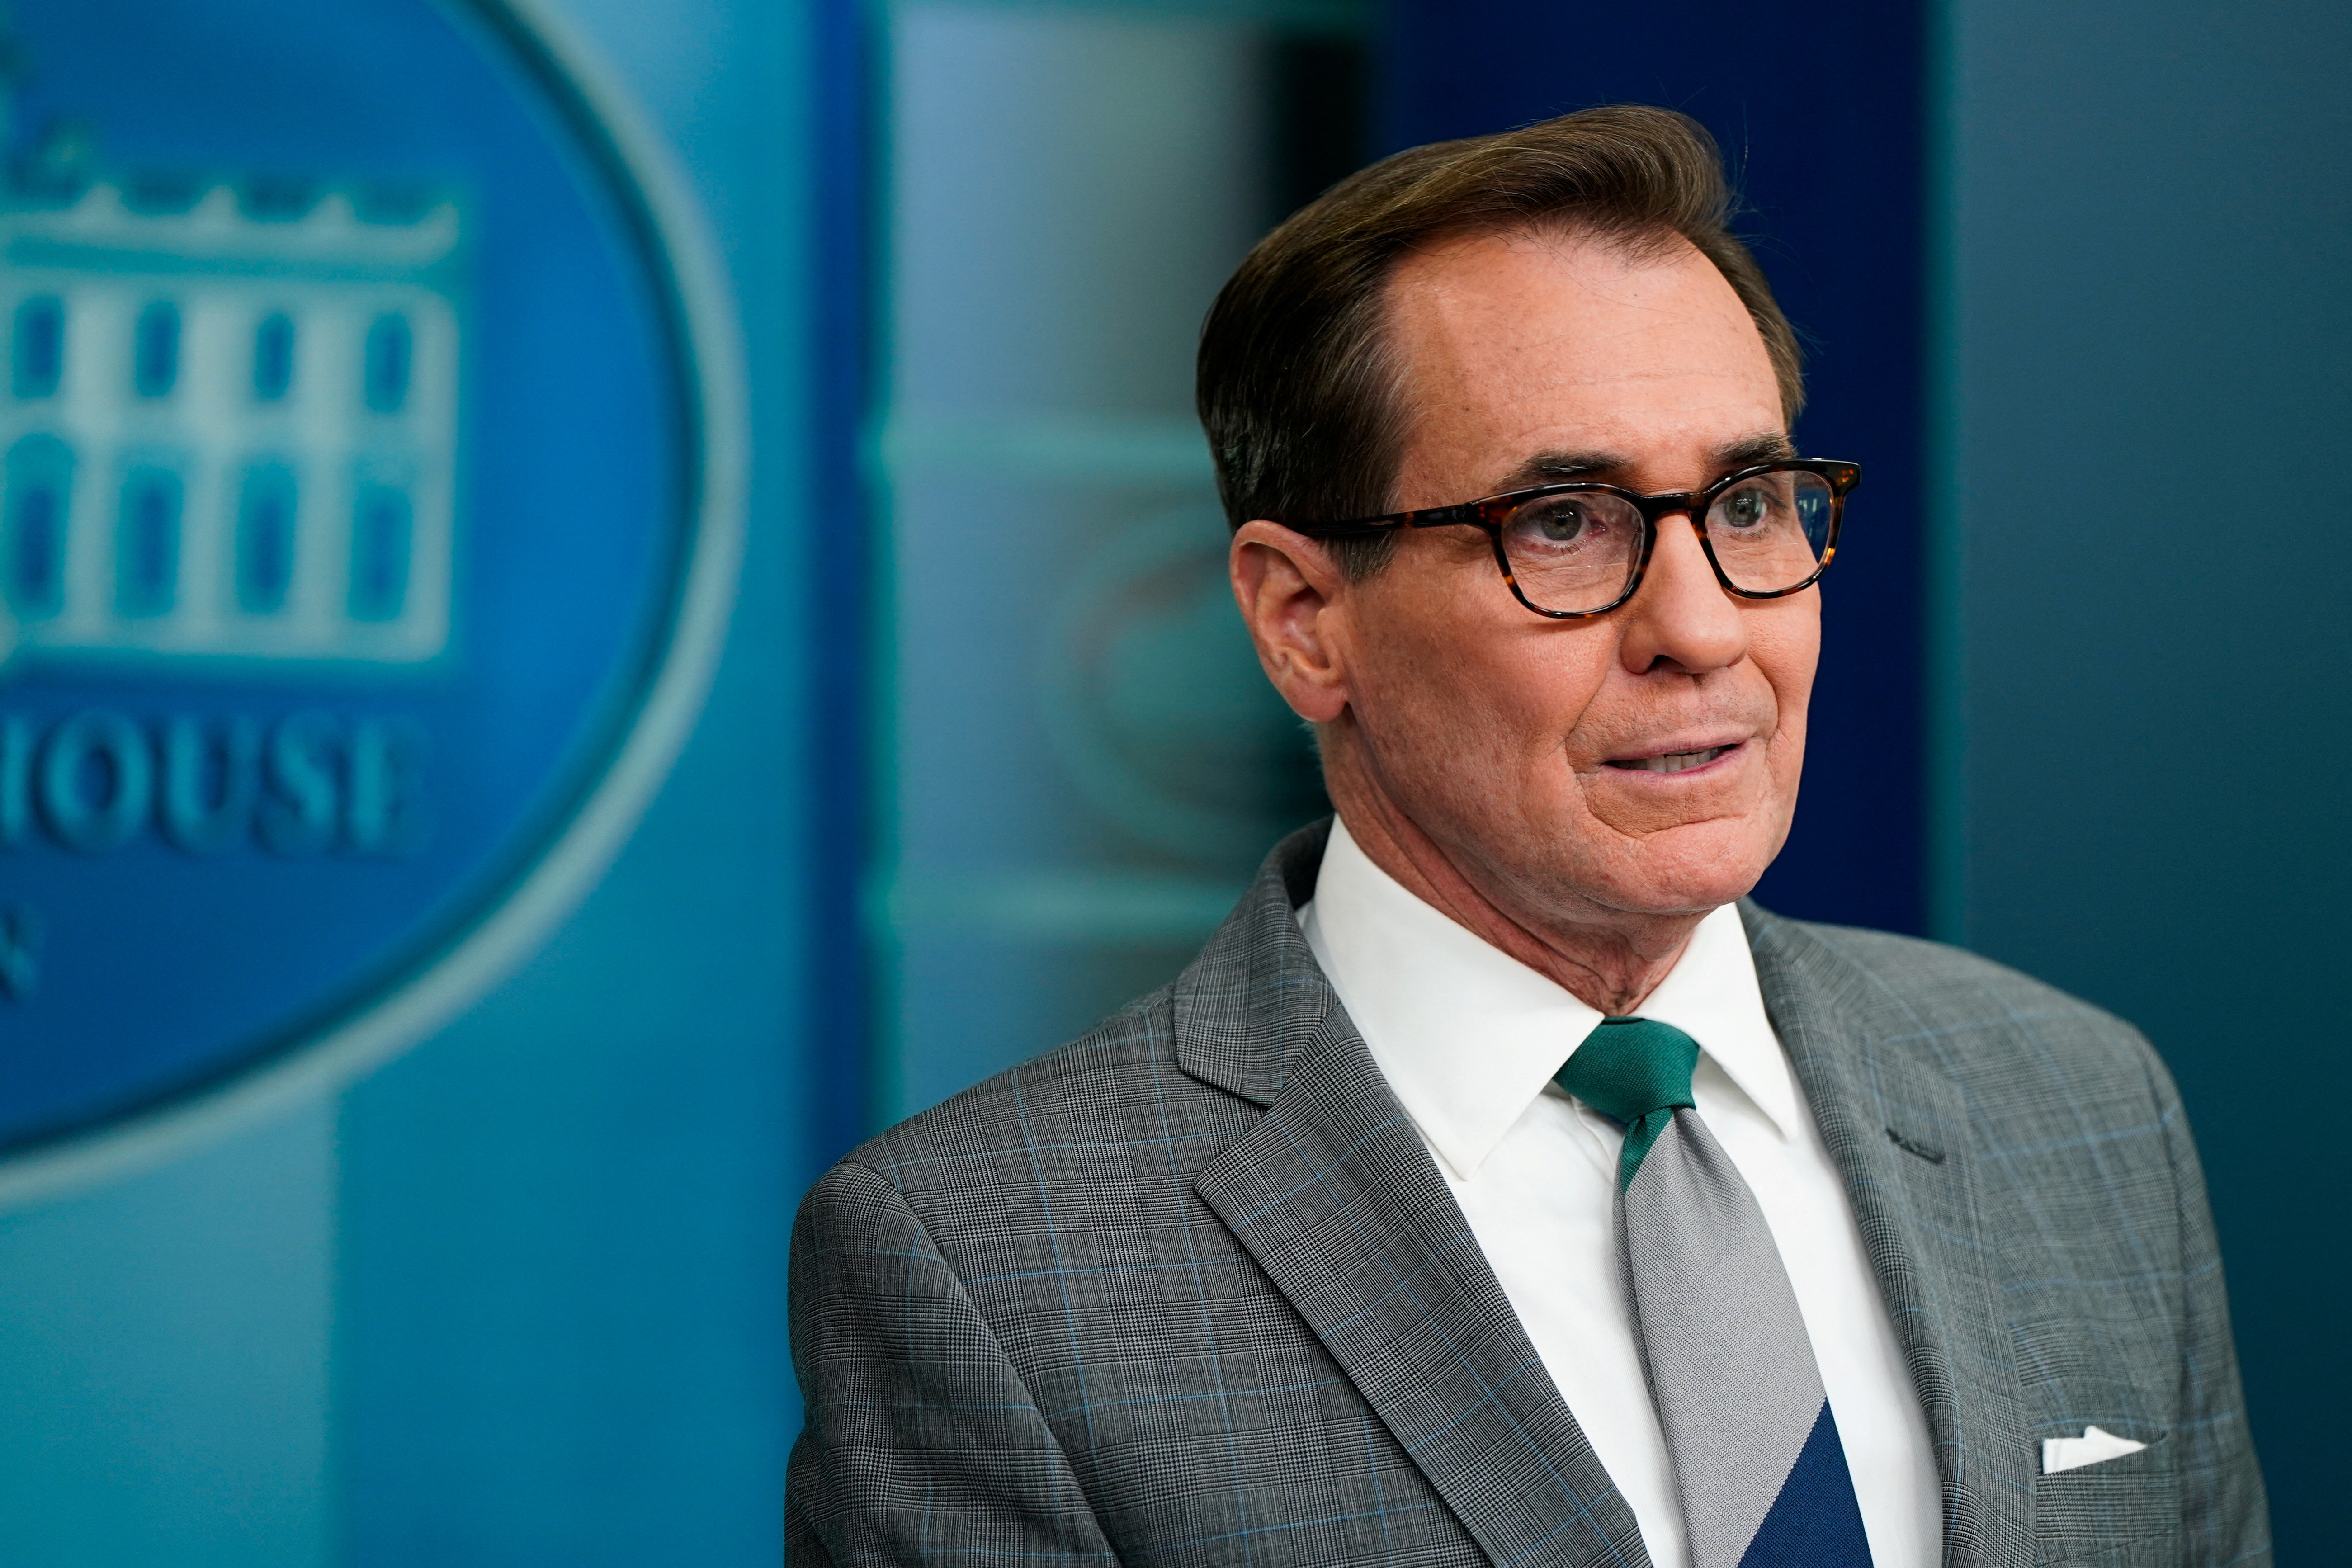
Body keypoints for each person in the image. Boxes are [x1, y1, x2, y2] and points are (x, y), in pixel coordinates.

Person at [784, 105, 2269, 1567]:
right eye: (1562, 522)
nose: (1700, 628)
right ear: (1304, 622)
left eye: (1746, 504)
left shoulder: (2078, 1107)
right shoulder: (985, 1266)